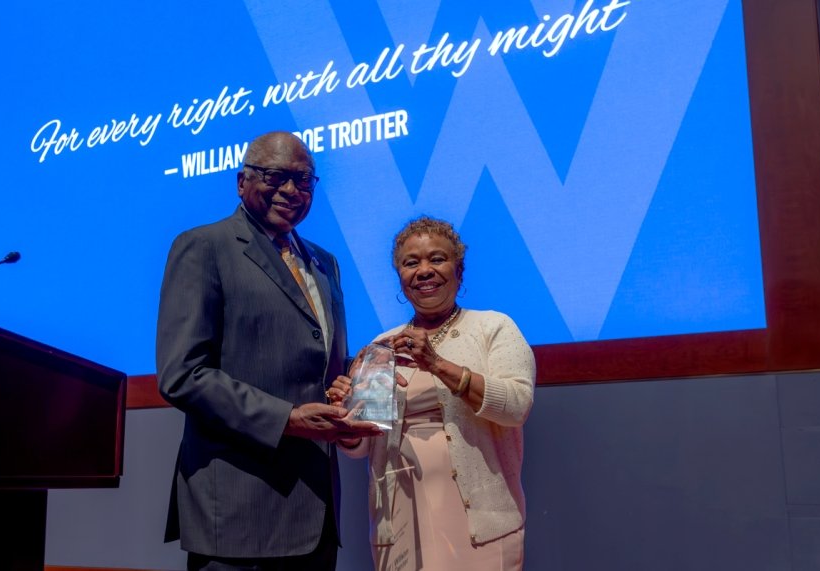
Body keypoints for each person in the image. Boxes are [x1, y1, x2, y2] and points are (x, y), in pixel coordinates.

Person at [156, 131, 382, 571]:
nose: (291, 191)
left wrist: (362, 384)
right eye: (276, 177)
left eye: (304, 181)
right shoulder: (204, 246)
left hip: (315, 510)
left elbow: (324, 361)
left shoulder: (324, 261)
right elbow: (182, 374)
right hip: (240, 512)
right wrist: (287, 420)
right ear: (242, 182)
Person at [328, 216, 535, 570]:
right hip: (401, 518)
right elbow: (362, 445)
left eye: (437, 259)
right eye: (412, 263)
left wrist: (437, 364)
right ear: (401, 277)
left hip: (480, 522)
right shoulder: (381, 346)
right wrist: (345, 415)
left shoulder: (493, 327)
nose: (424, 271)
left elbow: (515, 407)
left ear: (459, 269)